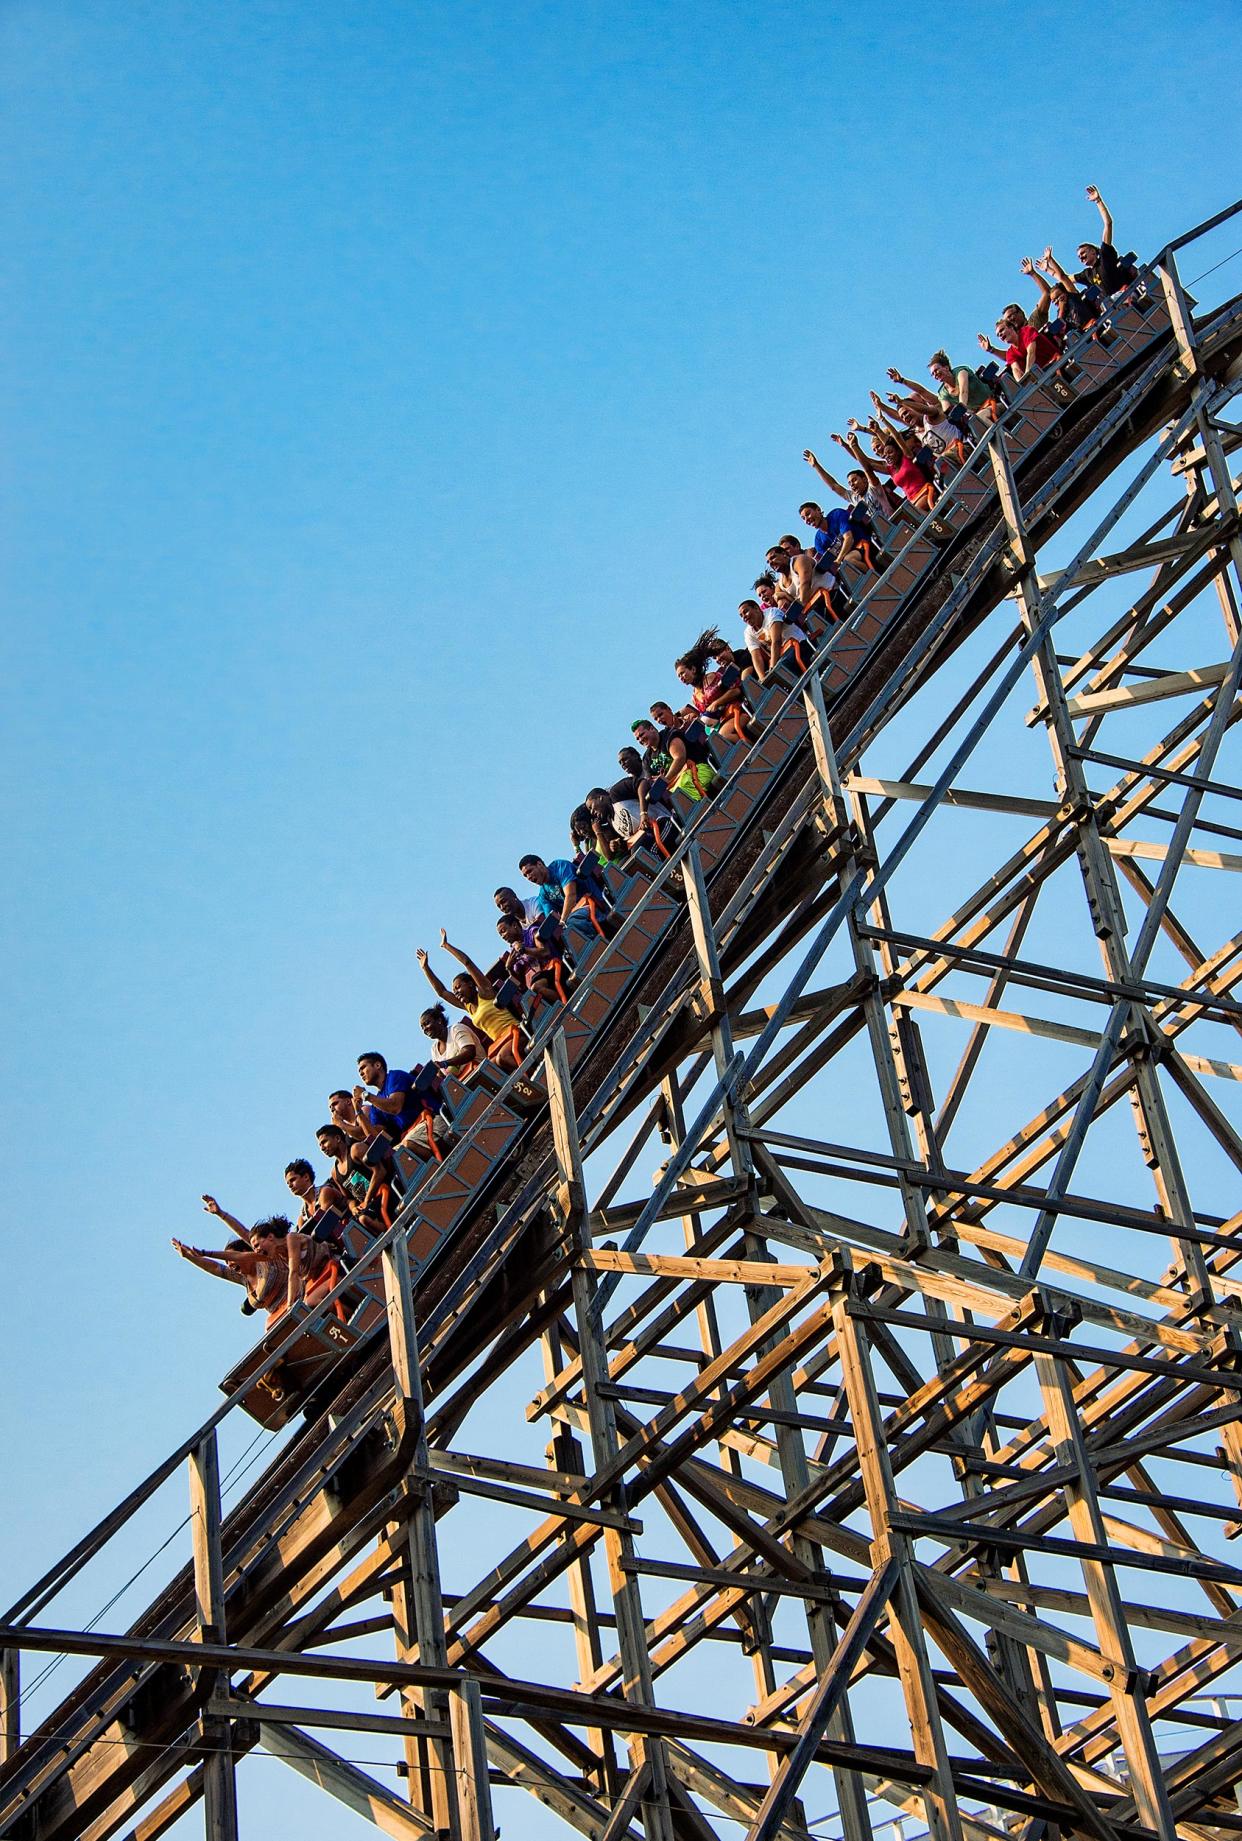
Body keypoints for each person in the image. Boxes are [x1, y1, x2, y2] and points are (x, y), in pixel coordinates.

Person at [417, 930, 525, 1070]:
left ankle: (534, 1078)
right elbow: (442, 992)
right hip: (501, 1042)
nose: (456, 992)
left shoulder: (486, 992)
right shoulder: (468, 1007)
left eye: (458, 987)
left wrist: (446, 946)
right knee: (488, 1069)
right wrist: (426, 968)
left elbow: (467, 963)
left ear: (470, 984)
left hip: (516, 1032)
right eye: (454, 991)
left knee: (502, 1058)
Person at [172, 1215, 294, 1328]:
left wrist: (221, 1214)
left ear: (246, 1252)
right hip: (279, 1316)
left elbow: (244, 1233)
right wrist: (189, 1256)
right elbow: (215, 1268)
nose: (229, 1264)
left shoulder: (265, 1258)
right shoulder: (242, 1278)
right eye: (226, 1262)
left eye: (230, 1258)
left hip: (295, 1298)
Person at [519, 852, 619, 949]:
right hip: (577, 916)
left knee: (572, 923)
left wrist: (563, 922)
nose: (529, 877)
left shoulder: (559, 866)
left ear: (539, 864)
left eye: (529, 871)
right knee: (566, 934)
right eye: (525, 876)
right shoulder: (543, 895)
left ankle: (599, 945)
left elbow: (571, 895)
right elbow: (553, 919)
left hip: (595, 903)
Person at [674, 627, 753, 745]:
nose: (682, 678)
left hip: (738, 711)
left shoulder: (710, 678)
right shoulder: (694, 697)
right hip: (720, 723)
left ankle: (753, 750)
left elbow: (736, 690)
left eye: (683, 673)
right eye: (679, 677)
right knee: (715, 744)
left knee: (724, 735)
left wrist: (717, 703)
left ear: (693, 669)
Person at [804, 448, 901, 525]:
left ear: (864, 480)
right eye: (850, 483)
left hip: (895, 521)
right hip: (883, 532)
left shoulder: (874, 488)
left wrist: (853, 446)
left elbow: (867, 468)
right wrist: (816, 466)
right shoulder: (854, 498)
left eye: (854, 480)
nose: (852, 485)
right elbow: (834, 486)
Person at [647, 702, 721, 802]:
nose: (659, 720)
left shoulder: (688, 718)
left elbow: (691, 712)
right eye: (656, 719)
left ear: (669, 709)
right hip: (692, 767)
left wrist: (681, 718)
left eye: (660, 715)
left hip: (710, 753)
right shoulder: (668, 735)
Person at [1076, 185, 1136, 297]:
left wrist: (1098, 201)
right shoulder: (1087, 274)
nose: (1081, 257)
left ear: (1093, 251)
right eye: (1078, 256)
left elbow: (1108, 224)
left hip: (1126, 294)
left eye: (1083, 253)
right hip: (1114, 306)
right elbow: (1064, 278)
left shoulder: (1105, 256)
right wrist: (1048, 268)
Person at [354, 1053, 422, 1143]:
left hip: (428, 1121)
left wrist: (365, 1095)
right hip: (410, 1136)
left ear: (377, 1065)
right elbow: (375, 1138)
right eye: (359, 1071)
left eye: (363, 1067)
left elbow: (395, 1107)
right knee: (399, 1154)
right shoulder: (376, 1105)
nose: (361, 1073)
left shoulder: (395, 1076)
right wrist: (359, 1112)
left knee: (407, 1147)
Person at [926, 352, 1000, 426]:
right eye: (932, 374)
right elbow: (948, 412)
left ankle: (1007, 437)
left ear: (946, 368)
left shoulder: (961, 372)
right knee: (974, 426)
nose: (935, 374)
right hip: (978, 413)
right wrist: (952, 416)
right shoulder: (942, 394)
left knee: (981, 418)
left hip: (994, 402)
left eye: (936, 370)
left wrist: (960, 409)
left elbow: (964, 392)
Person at [420, 1002, 487, 1079]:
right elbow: (442, 1074)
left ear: (439, 1020)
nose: (425, 1029)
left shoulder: (456, 1029)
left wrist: (444, 1063)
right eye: (422, 1027)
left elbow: (470, 1053)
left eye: (427, 1023)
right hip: (462, 1085)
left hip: (481, 1071)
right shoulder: (434, 1049)